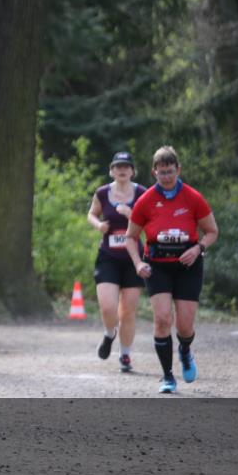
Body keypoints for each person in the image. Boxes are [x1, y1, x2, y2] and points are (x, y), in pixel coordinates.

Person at [125, 146, 219, 394]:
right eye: (161, 172)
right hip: (157, 267)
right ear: (154, 172)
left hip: (188, 265)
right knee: (163, 319)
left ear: (179, 169)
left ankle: (185, 350)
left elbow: (212, 232)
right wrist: (138, 263)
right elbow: (130, 237)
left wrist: (198, 248)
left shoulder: (192, 197)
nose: (166, 177)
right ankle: (167, 376)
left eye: (170, 171)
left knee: (185, 325)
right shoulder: (145, 201)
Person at [87, 152, 147, 372]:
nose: (122, 170)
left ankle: (125, 355)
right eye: (117, 167)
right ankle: (109, 333)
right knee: (108, 307)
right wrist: (98, 225)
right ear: (111, 170)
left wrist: (132, 215)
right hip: (108, 257)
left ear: (132, 171)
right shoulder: (103, 193)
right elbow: (91, 214)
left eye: (126, 166)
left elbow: (150, 223)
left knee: (128, 311)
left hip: (133, 258)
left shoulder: (141, 193)